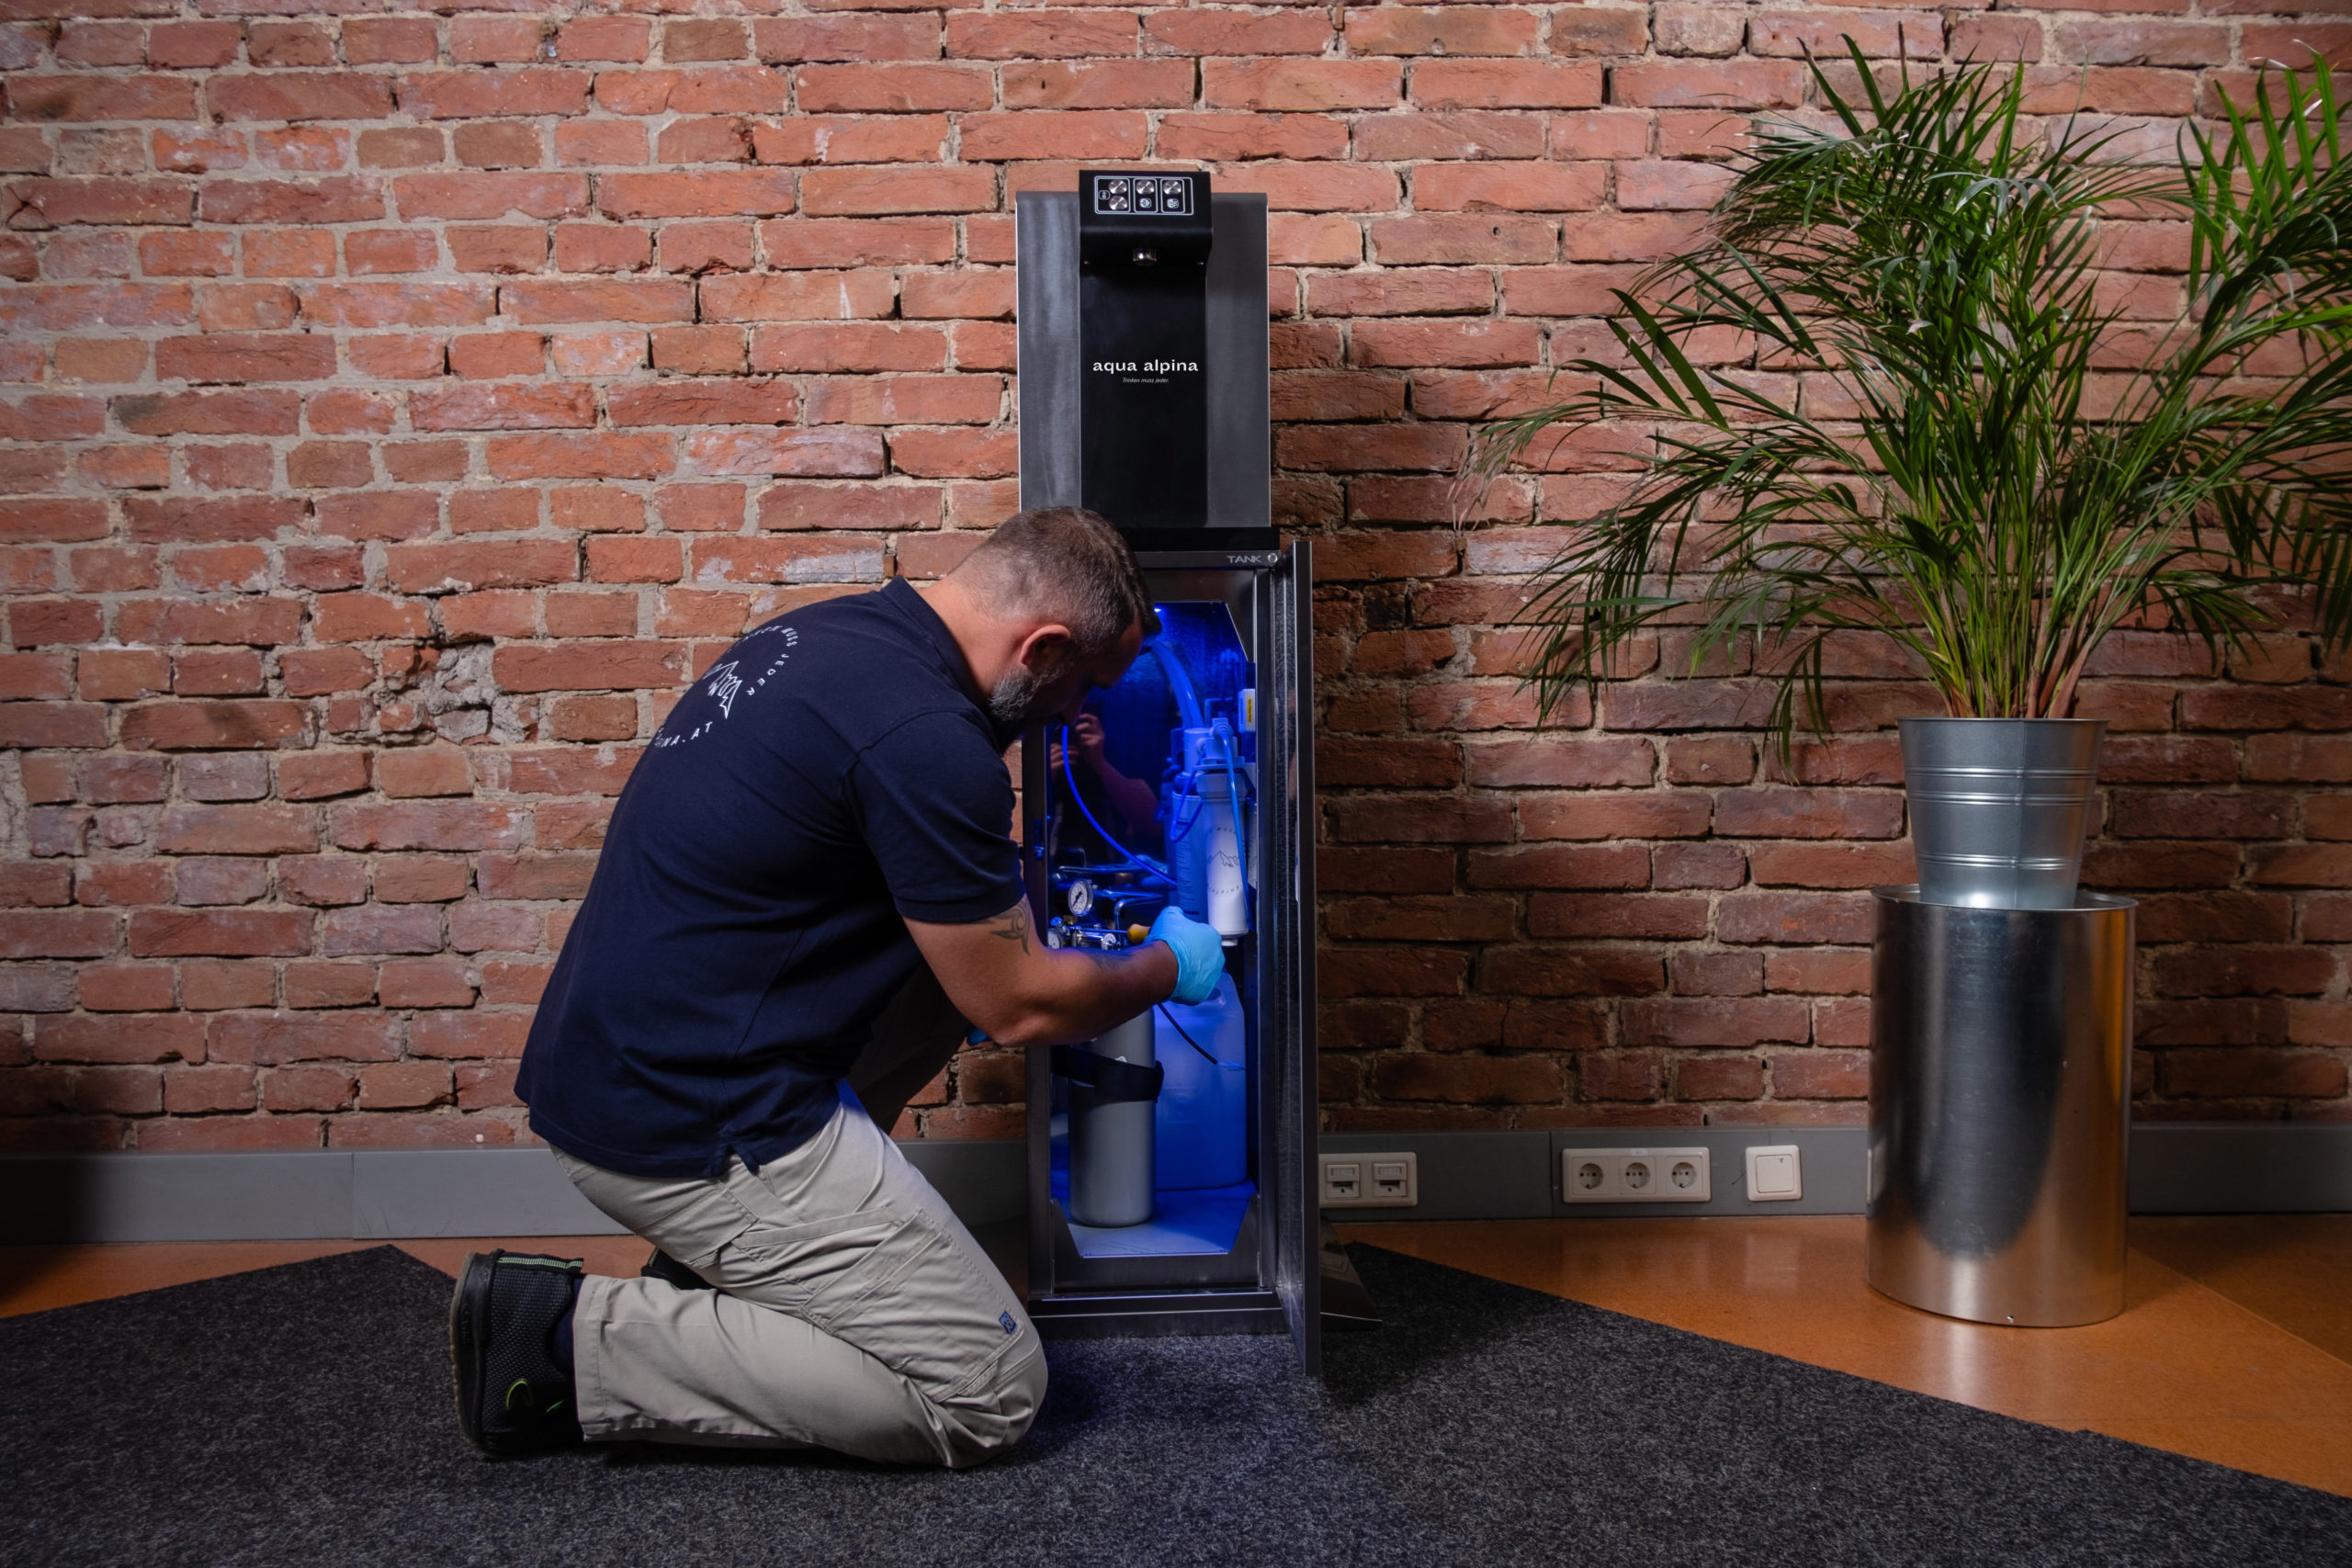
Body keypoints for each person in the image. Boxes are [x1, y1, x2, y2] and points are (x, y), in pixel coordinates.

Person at [447, 506, 1228, 1466]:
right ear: (1045, 646)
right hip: (695, 1120)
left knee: (944, 978)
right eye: (1084, 686)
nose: (1075, 713)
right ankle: (564, 1339)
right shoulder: (924, 736)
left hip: (621, 1068)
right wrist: (1163, 966)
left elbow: (963, 960)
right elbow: (1017, 1004)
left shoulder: (825, 639)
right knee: (988, 1391)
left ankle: (717, 1285)